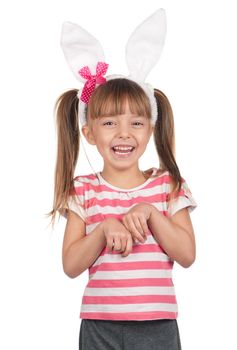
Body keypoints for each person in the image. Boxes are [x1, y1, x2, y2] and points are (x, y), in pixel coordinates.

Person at [48, 9, 197, 350]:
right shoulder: (83, 190)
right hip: (100, 326)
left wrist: (150, 213)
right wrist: (102, 229)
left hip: (157, 327)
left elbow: (187, 254)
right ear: (89, 131)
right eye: (110, 123)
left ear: (151, 128)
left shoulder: (168, 185)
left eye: (136, 123)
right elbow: (71, 265)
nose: (124, 133)